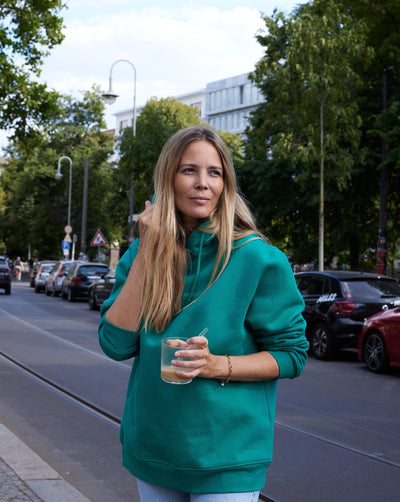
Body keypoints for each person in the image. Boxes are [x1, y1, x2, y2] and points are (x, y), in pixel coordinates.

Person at [98, 126, 308, 502]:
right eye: (188, 170)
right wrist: (147, 249)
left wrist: (215, 365)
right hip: (155, 448)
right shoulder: (141, 254)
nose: (202, 183)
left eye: (214, 172)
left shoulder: (258, 258)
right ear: (168, 179)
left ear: (226, 184)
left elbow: (291, 355)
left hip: (229, 456)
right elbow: (115, 344)